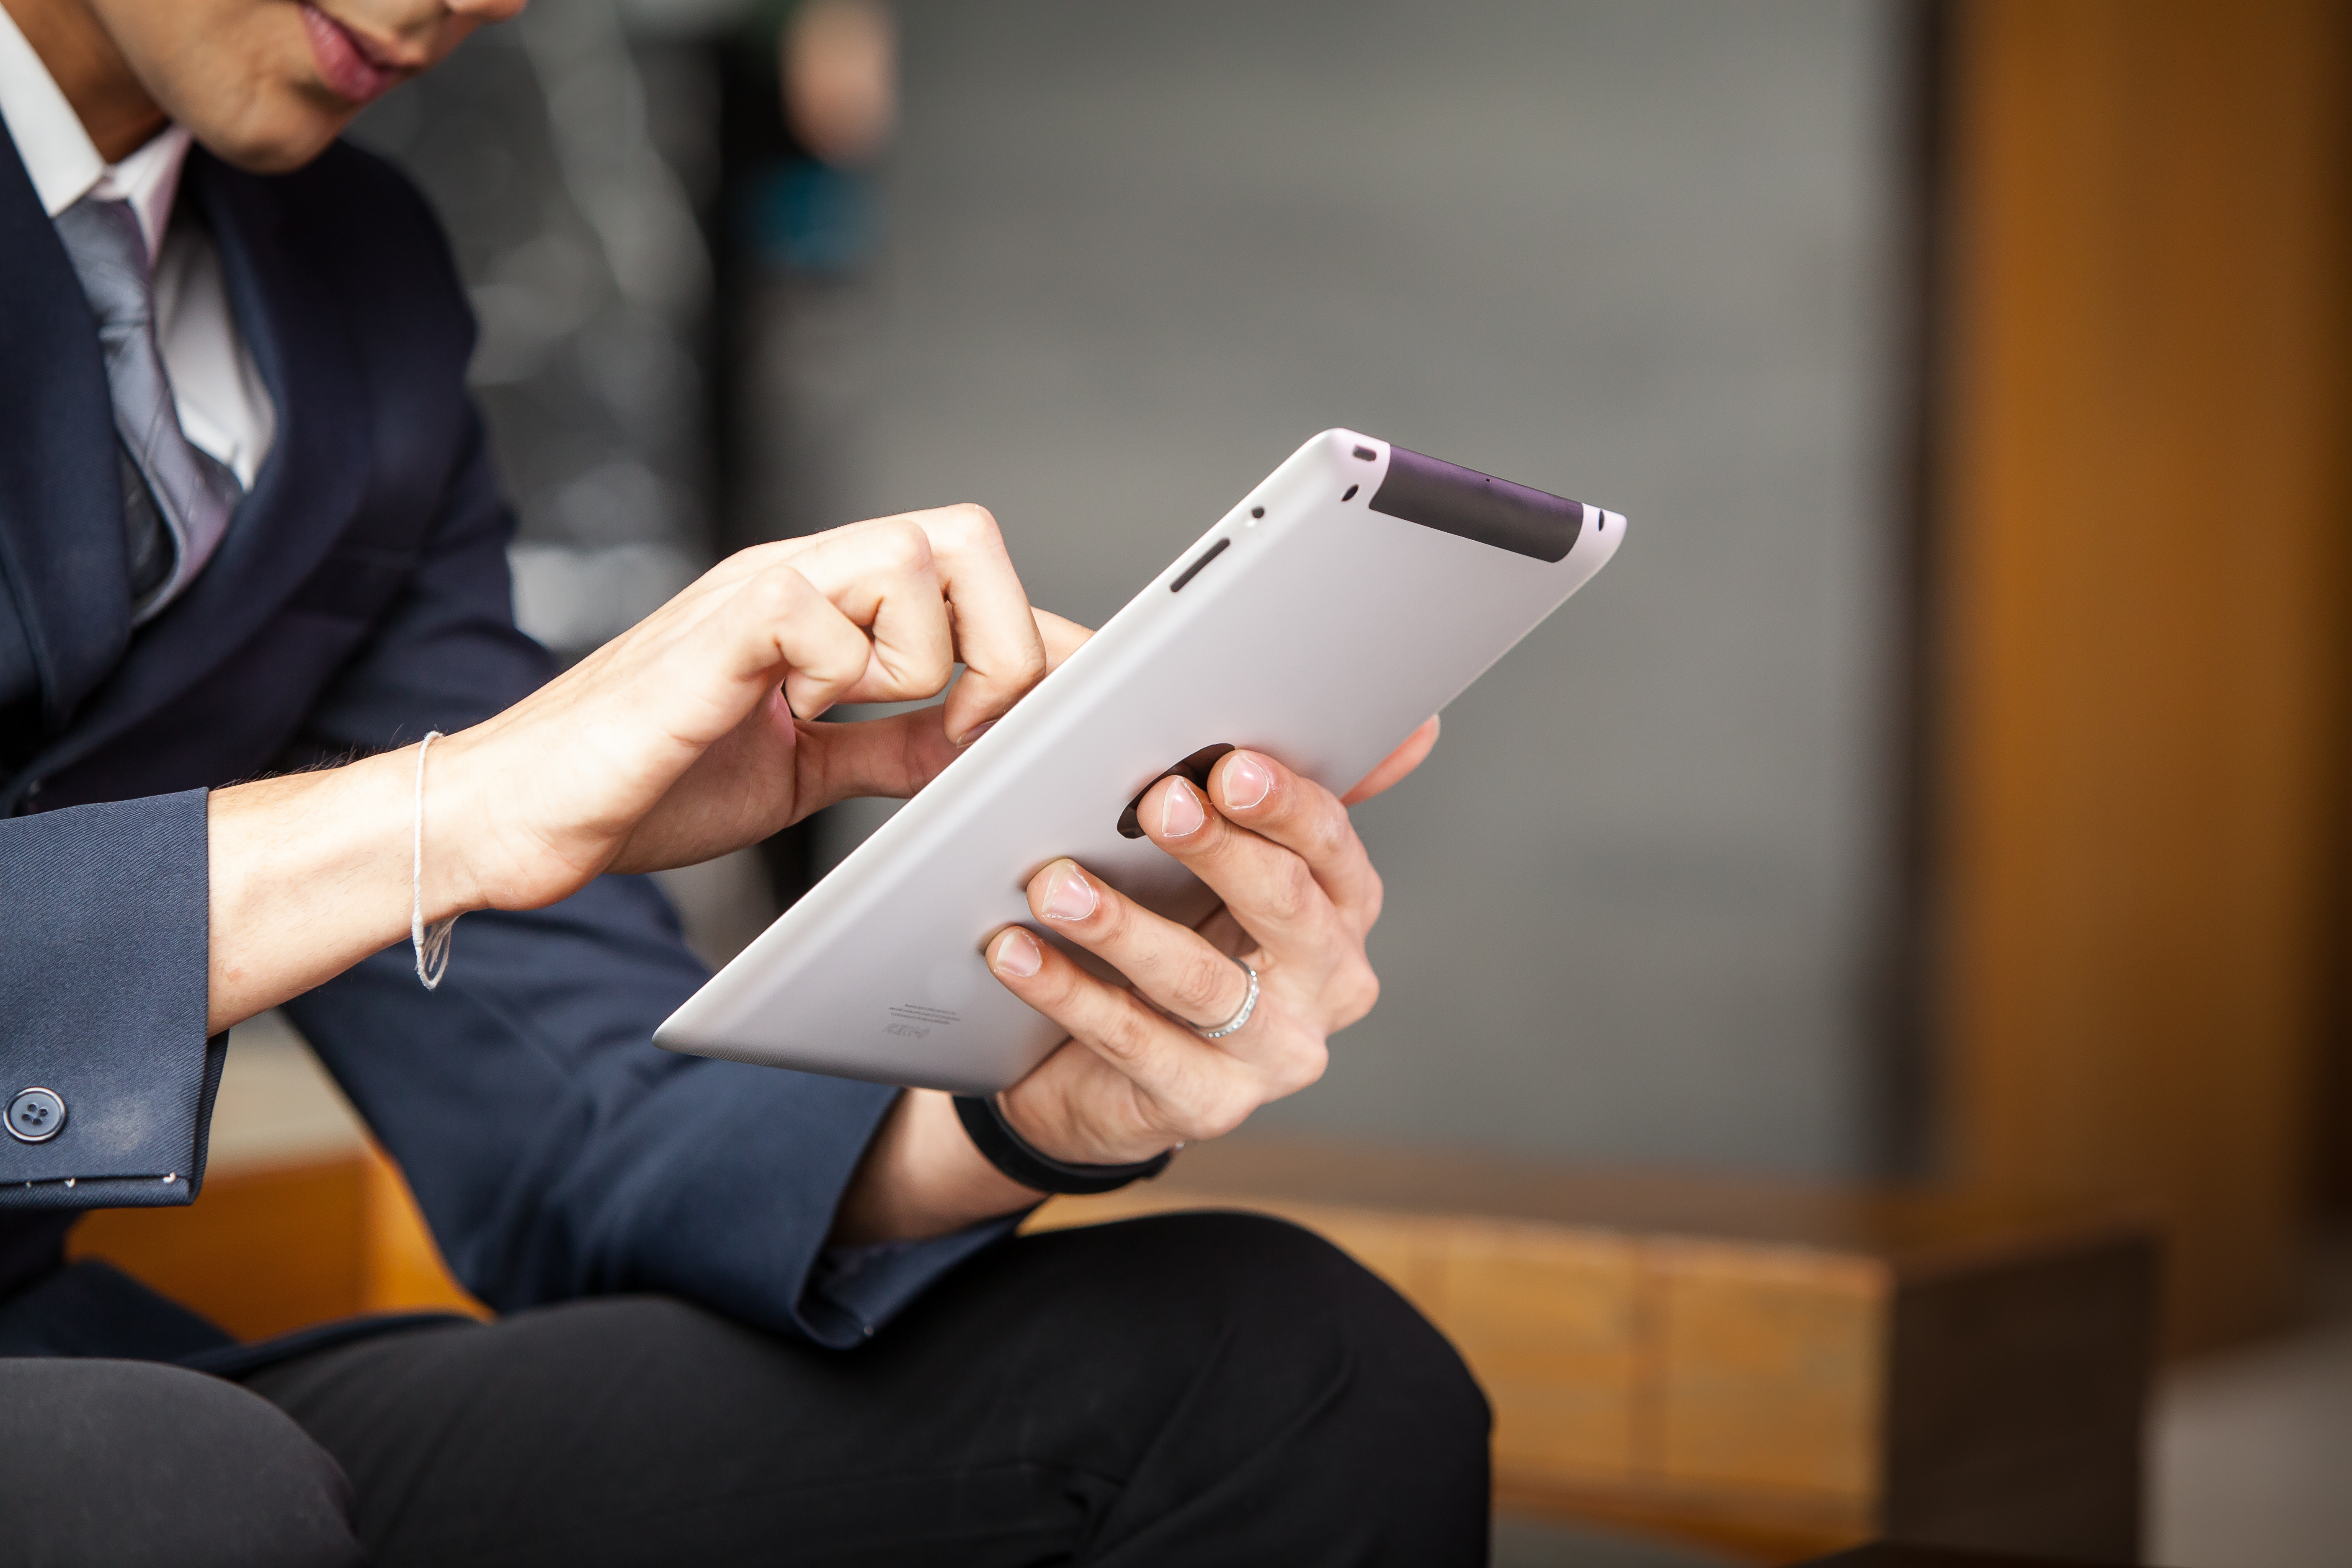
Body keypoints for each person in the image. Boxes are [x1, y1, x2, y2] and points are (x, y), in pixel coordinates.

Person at [0, 0, 1490, 1564]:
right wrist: (457, 807)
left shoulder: (354, 299)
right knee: (177, 1491)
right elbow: (464, 816)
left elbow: (568, 1113)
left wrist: (1012, 1105)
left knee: (1290, 1375)